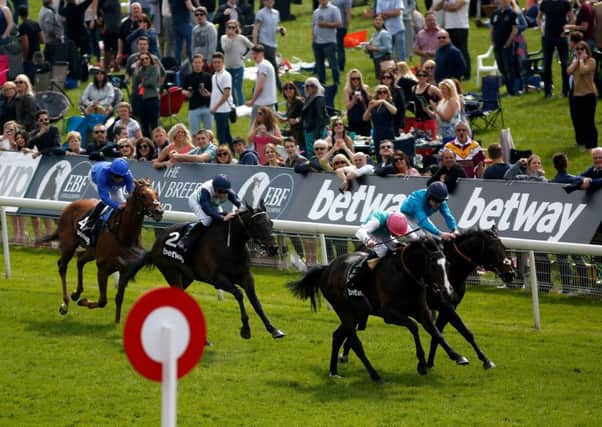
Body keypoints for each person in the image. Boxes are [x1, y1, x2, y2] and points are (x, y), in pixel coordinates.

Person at [345, 210, 409, 299]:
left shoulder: (402, 222)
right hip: (370, 232)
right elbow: (360, 232)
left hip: (384, 232)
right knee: (382, 251)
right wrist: (368, 241)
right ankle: (355, 277)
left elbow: (414, 237)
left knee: (399, 247)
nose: (395, 235)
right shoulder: (376, 222)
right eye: (394, 233)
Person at [176, 174, 242, 253]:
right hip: (197, 202)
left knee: (221, 217)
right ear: (214, 188)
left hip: (213, 202)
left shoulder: (227, 190)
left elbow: (238, 202)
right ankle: (185, 240)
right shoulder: (206, 190)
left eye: (225, 192)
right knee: (207, 220)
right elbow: (207, 209)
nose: (223, 194)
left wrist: (241, 208)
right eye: (220, 191)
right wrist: (222, 218)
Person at [80, 158, 135, 246]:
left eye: (120, 177)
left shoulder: (128, 176)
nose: (118, 179)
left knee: (122, 201)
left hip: (111, 183)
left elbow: (132, 193)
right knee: (108, 201)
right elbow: (104, 197)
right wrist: (117, 206)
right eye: (115, 176)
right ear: (111, 172)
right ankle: (88, 223)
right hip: (94, 175)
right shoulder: (102, 175)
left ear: (125, 175)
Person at [566, 41, 598, 151]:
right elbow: (569, 71)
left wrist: (580, 60)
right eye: (577, 49)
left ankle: (592, 144)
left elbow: (584, 71)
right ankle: (583, 142)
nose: (579, 51)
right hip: (577, 95)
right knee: (580, 121)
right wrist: (576, 61)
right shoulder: (576, 62)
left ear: (586, 50)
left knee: (589, 121)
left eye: (581, 49)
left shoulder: (591, 61)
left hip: (588, 95)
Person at [537, 0, 572, 97]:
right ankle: (548, 91)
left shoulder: (565, 3)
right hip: (548, 36)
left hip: (561, 37)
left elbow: (571, 18)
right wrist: (542, 31)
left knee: (564, 64)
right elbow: (539, 17)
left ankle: (565, 91)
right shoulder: (545, 3)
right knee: (547, 64)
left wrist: (566, 31)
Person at [253, 0, 286, 90]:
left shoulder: (276, 13)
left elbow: (274, 27)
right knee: (273, 68)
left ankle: (256, 90)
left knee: (264, 68)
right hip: (264, 44)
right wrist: (255, 45)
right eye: (267, 0)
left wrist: (281, 29)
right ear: (264, 2)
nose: (270, 1)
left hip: (273, 44)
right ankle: (281, 88)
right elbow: (256, 29)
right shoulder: (260, 13)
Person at [433, 0, 470, 80]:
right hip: (449, 26)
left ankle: (466, 73)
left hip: (461, 26)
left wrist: (444, 7)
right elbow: (436, 7)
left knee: (462, 50)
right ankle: (450, 72)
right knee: (448, 51)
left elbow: (455, 7)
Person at [222, 19, 254, 106]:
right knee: (230, 88)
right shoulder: (224, 38)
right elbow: (226, 49)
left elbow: (253, 47)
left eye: (233, 27)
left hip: (239, 66)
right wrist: (230, 39)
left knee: (238, 88)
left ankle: (241, 106)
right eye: (229, 27)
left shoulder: (241, 38)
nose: (231, 29)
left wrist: (245, 57)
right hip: (228, 67)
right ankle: (233, 105)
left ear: (237, 28)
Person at [491, 0, 519, 95]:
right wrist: (492, 40)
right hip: (497, 44)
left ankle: (511, 90)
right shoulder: (495, 13)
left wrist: (508, 42)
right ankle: (507, 87)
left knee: (508, 68)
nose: (503, 2)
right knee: (501, 67)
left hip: (507, 45)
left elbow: (515, 29)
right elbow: (492, 27)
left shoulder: (512, 14)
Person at [312, 0, 342, 86]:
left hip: (329, 42)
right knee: (319, 65)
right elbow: (314, 25)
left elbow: (339, 24)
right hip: (317, 42)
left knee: (333, 64)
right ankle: (322, 83)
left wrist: (326, 24)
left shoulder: (334, 9)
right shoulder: (316, 11)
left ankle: (336, 82)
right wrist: (313, 38)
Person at [182, 53, 213, 134]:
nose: (197, 64)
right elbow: (182, 90)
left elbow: (213, 92)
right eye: (195, 62)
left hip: (207, 107)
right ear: (192, 63)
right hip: (193, 108)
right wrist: (186, 93)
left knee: (209, 133)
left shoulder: (208, 76)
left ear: (202, 63)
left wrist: (208, 93)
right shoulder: (188, 77)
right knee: (194, 133)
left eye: (199, 62)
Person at [131, 52, 161, 137]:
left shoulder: (154, 68)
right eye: (142, 59)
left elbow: (152, 82)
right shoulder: (140, 70)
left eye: (146, 58)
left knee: (154, 124)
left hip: (152, 98)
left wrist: (143, 83)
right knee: (144, 124)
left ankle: (157, 142)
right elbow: (135, 83)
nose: (145, 61)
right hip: (141, 99)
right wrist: (136, 68)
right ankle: (147, 141)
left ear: (150, 59)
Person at [246, 44, 277, 121]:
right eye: (253, 53)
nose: (254, 56)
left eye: (257, 53)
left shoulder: (263, 66)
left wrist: (253, 100)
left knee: (254, 129)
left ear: (262, 54)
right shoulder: (265, 64)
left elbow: (260, 86)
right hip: (269, 102)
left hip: (262, 103)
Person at [210, 52, 234, 146]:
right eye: (214, 62)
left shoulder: (226, 75)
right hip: (218, 110)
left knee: (221, 136)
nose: (216, 64)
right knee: (226, 135)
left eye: (218, 62)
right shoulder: (214, 76)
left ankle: (224, 154)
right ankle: (231, 152)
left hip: (223, 110)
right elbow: (217, 92)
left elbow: (226, 94)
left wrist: (215, 107)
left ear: (223, 62)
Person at [300, 77, 329, 156]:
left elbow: (320, 117)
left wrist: (317, 134)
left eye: (312, 86)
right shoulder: (308, 99)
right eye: (307, 86)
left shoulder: (318, 99)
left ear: (317, 86)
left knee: (318, 153)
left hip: (316, 131)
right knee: (310, 154)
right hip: (308, 130)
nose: (309, 88)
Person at [427, 78, 461, 142]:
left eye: (444, 89)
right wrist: (427, 110)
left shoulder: (452, 101)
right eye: (441, 88)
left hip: (451, 133)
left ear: (450, 90)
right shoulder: (442, 101)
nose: (442, 91)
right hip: (442, 133)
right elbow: (435, 116)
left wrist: (435, 108)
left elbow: (446, 118)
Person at [17, 6, 44, 82]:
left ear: (19, 15)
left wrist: (25, 57)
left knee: (29, 80)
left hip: (30, 57)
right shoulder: (35, 23)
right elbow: (42, 40)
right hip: (38, 55)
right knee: (39, 77)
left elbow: (26, 44)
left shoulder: (23, 26)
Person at [343, 69, 371, 137]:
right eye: (353, 79)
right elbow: (347, 107)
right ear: (350, 79)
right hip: (354, 119)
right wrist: (354, 99)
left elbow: (370, 102)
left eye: (358, 78)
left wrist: (363, 99)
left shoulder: (365, 88)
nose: (356, 81)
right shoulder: (347, 90)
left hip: (365, 119)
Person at [365, 14, 392, 79]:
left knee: (386, 79)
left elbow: (387, 48)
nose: (377, 21)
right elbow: (370, 45)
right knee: (380, 79)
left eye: (380, 20)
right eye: (376, 20)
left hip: (384, 59)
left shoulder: (384, 33)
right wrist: (367, 49)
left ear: (383, 22)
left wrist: (373, 48)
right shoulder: (375, 34)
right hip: (377, 59)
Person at [280, 81, 305, 150]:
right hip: (293, 129)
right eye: (286, 89)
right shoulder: (288, 102)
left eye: (290, 88)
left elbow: (306, 114)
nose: (288, 90)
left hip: (301, 130)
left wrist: (297, 120)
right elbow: (290, 115)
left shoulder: (299, 101)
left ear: (294, 90)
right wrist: (284, 118)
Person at [332, 0, 352, 72]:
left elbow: (348, 13)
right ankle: (336, 63)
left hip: (341, 26)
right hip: (332, 26)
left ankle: (340, 66)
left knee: (340, 46)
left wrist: (346, 26)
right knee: (335, 46)